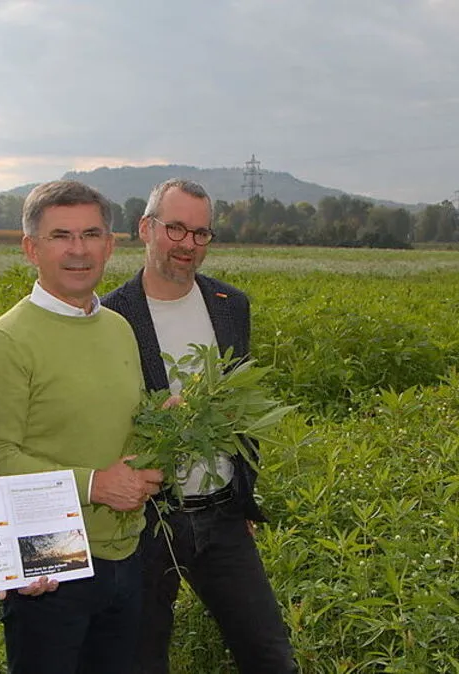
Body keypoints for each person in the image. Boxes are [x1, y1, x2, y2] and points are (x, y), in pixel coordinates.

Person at [103, 179, 297, 673]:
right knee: (142, 658)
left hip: (223, 514)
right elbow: (100, 419)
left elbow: (241, 407)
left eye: (200, 233)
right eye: (175, 228)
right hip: (150, 519)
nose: (187, 244)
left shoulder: (231, 304)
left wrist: (245, 493)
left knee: (270, 655)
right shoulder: (110, 315)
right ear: (145, 228)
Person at [0, 180, 166, 674]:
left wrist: (163, 438)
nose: (78, 250)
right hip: (49, 554)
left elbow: (120, 428)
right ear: (31, 249)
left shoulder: (118, 327)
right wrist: (94, 484)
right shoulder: (5, 342)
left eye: (91, 234)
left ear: (110, 245)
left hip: (127, 549)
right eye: (60, 236)